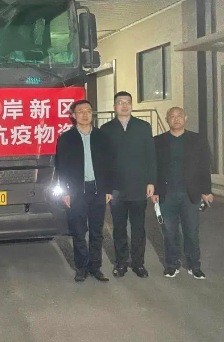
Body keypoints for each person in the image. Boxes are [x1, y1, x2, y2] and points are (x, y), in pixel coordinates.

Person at [55, 100, 115, 283]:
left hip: (98, 190)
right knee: (79, 230)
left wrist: (108, 189)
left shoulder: (102, 137)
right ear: (73, 116)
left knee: (97, 231)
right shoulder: (66, 138)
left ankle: (96, 267)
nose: (85, 114)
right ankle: (81, 268)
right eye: (80, 111)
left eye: (88, 111)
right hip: (76, 191)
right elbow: (61, 167)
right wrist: (65, 191)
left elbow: (109, 165)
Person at [100, 91, 156, 278]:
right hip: (116, 188)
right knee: (119, 228)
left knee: (138, 228)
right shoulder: (106, 129)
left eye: (127, 102)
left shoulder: (143, 127)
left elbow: (151, 155)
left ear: (132, 105)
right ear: (114, 106)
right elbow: (103, 162)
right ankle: (121, 263)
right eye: (120, 102)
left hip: (138, 186)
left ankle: (139, 263)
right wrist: (106, 188)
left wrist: (151, 181)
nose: (124, 105)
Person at [152, 107, 212, 280]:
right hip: (166, 194)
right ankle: (172, 264)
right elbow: (153, 167)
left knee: (191, 231)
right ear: (167, 119)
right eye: (172, 116)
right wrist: (154, 189)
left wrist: (206, 191)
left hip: (190, 194)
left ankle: (194, 266)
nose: (176, 119)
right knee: (169, 232)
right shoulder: (158, 141)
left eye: (179, 116)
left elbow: (204, 166)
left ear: (185, 118)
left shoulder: (198, 140)